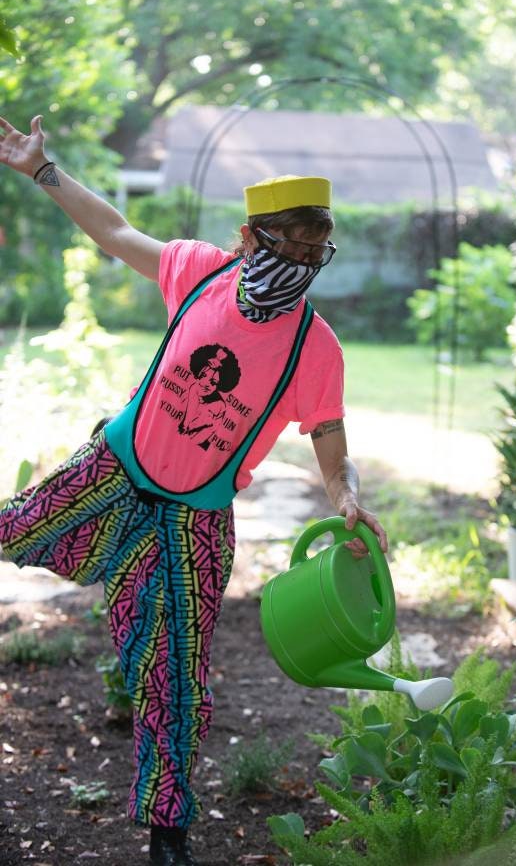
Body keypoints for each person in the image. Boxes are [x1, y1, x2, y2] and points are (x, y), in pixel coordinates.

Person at [0, 115, 390, 866]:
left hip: (194, 525)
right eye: (286, 248)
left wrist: (345, 497)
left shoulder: (315, 347)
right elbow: (116, 232)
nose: (299, 265)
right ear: (248, 239)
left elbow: (331, 445)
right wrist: (44, 172)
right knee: (13, 526)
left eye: (313, 254)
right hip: (111, 475)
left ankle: (168, 831)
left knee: (176, 678)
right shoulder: (200, 272)